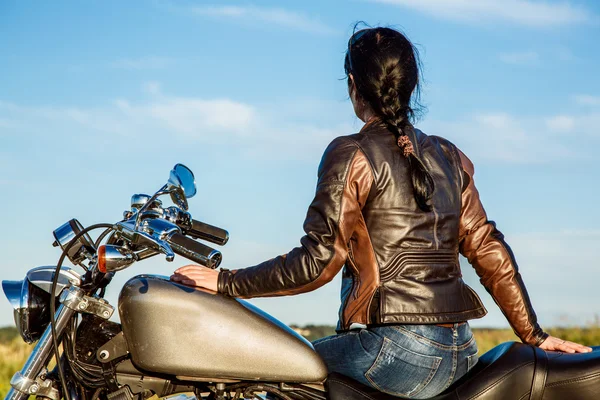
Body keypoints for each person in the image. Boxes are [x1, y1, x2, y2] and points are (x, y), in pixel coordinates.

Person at [171, 26, 591, 399]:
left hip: (397, 353)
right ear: (411, 84)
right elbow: (486, 247)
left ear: (354, 85)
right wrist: (534, 334)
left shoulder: (350, 154)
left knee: (268, 378)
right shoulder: (449, 155)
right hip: (460, 349)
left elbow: (318, 262)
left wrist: (224, 282)